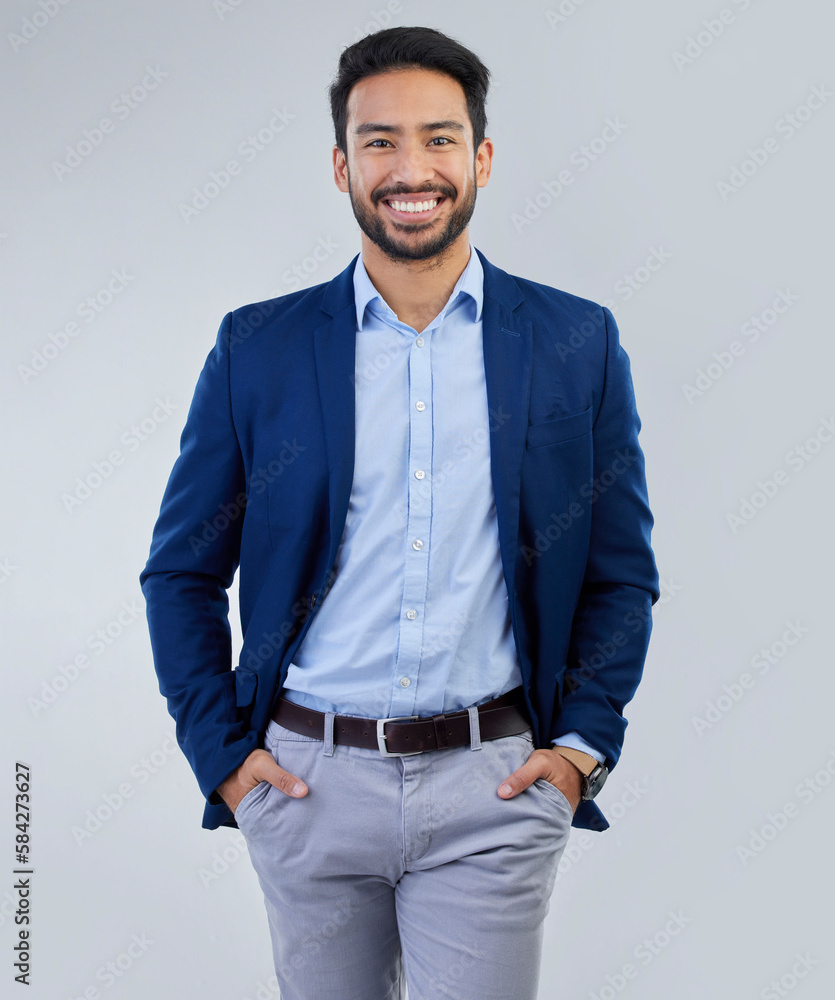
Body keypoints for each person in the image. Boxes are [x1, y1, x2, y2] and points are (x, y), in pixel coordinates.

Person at [140, 24, 659, 1000]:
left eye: (438, 138)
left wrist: (578, 749)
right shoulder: (260, 347)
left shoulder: (573, 343)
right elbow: (182, 571)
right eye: (379, 141)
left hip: (493, 787)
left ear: (482, 158)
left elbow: (618, 571)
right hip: (305, 782)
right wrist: (224, 757)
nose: (409, 167)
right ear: (341, 164)